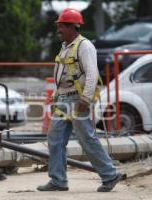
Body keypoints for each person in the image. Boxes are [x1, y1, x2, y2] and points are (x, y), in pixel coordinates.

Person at [37, 8, 122, 192]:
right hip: (64, 100)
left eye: (61, 26)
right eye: (58, 25)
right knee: (55, 139)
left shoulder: (84, 46)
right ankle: (58, 180)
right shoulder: (66, 46)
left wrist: (85, 98)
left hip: (77, 100)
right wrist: (56, 98)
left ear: (72, 27)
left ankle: (110, 174)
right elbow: (62, 74)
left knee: (87, 139)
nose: (58, 29)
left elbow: (92, 74)